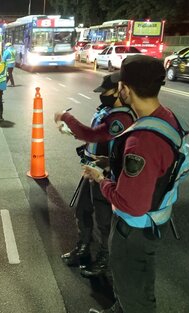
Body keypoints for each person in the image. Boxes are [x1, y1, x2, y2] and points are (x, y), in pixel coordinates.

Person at [84, 55, 189, 313]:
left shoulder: (142, 141)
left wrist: (101, 178)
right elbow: (159, 168)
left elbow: (131, 204)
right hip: (156, 220)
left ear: (125, 90)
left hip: (134, 231)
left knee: (136, 297)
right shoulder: (166, 117)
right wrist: (112, 162)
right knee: (133, 286)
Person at [54, 73, 136, 277]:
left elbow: (93, 134)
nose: (103, 95)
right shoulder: (107, 110)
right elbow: (95, 137)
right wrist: (74, 134)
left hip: (107, 174)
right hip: (92, 169)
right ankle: (83, 248)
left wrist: (66, 117)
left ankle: (104, 258)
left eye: (106, 91)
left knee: (104, 219)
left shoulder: (123, 117)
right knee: (82, 210)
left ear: (119, 90)